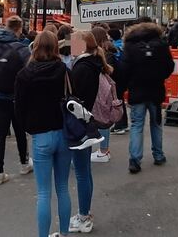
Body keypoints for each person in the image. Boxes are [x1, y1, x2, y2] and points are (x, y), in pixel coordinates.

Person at [15, 31, 72, 237]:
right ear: (56, 47)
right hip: (64, 132)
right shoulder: (63, 70)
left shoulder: (24, 75)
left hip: (40, 135)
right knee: (63, 188)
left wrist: (28, 127)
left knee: (43, 193)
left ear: (35, 47)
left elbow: (19, 108)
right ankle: (64, 233)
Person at [69, 30, 112, 233]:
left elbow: (74, 97)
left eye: (74, 43)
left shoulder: (82, 67)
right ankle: (85, 212)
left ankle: (84, 215)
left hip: (79, 123)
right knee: (84, 170)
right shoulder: (92, 64)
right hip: (86, 122)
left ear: (82, 46)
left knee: (81, 172)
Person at [0, 15, 32, 185]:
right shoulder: (22, 49)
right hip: (17, 97)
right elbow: (29, 74)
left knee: (0, 133)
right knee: (20, 131)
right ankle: (24, 163)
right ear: (19, 29)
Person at [123, 21, 174, 173]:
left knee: (137, 124)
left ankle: (135, 159)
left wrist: (128, 83)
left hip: (137, 90)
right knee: (156, 123)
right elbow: (169, 66)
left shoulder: (130, 47)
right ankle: (158, 155)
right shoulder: (161, 45)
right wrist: (160, 76)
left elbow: (124, 68)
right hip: (156, 89)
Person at [89, 27, 119, 163]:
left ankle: (103, 150)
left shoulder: (102, 52)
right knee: (104, 118)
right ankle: (104, 149)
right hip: (108, 88)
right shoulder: (112, 49)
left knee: (102, 118)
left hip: (100, 88)